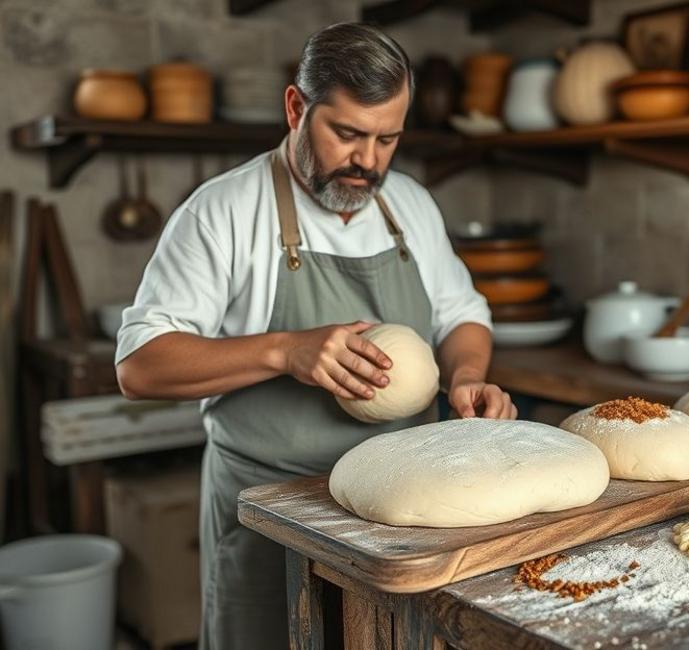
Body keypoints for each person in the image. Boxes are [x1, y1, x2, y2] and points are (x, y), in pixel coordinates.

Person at [115, 23, 516, 649]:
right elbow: (139, 366)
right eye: (348, 134)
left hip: (400, 510)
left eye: (388, 139)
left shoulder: (410, 205)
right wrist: (285, 349)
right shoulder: (222, 211)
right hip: (273, 512)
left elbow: (462, 314)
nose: (369, 161)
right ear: (296, 108)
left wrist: (467, 377)